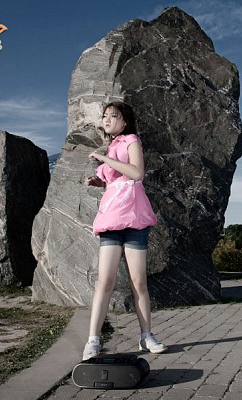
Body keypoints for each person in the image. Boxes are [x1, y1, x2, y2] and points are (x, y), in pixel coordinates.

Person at [82, 101, 166, 360]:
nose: (107, 120)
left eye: (113, 116)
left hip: (134, 218)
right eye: (105, 116)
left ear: (125, 120)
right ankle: (93, 340)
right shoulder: (112, 145)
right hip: (112, 218)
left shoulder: (131, 140)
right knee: (105, 281)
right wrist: (98, 182)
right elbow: (116, 180)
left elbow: (137, 173)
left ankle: (146, 336)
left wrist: (104, 159)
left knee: (139, 281)